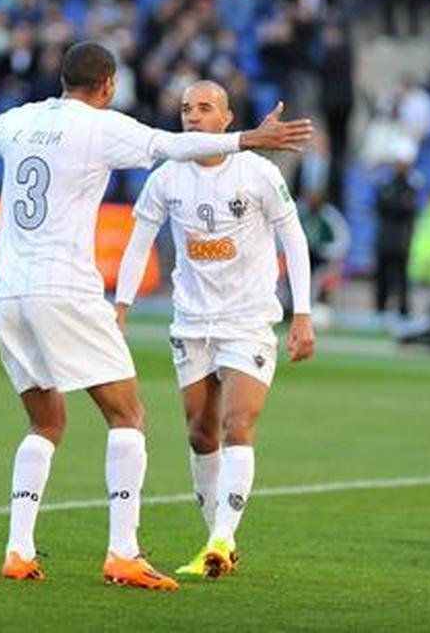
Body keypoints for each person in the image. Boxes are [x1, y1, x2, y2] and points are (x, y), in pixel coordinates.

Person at [0, 41, 312, 589]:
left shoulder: (24, 119)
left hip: (8, 293)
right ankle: (123, 552)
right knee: (128, 416)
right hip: (66, 290)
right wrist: (248, 138)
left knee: (45, 422)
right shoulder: (100, 127)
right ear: (107, 86)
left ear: (63, 79)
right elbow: (171, 145)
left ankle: (18, 549)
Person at [114, 80, 316, 580]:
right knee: (200, 434)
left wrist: (303, 313)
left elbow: (293, 237)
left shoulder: (258, 173)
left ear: (227, 119)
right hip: (191, 321)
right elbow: (139, 242)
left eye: (205, 108)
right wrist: (121, 306)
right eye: (186, 108)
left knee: (237, 424)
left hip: (248, 320)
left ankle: (223, 539)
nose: (193, 116)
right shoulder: (167, 176)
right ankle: (216, 542)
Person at [375, 154, 420, 319]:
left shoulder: (410, 188)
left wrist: (395, 205)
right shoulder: (388, 186)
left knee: (401, 277)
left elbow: (407, 209)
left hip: (401, 239)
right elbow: (382, 206)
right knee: (382, 276)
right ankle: (380, 310)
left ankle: (403, 309)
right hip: (386, 237)